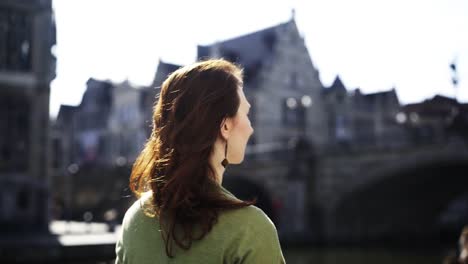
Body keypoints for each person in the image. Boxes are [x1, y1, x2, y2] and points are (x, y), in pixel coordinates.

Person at [115, 59, 285, 263]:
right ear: (225, 126)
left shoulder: (135, 218)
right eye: (247, 114)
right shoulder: (250, 230)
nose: (250, 128)